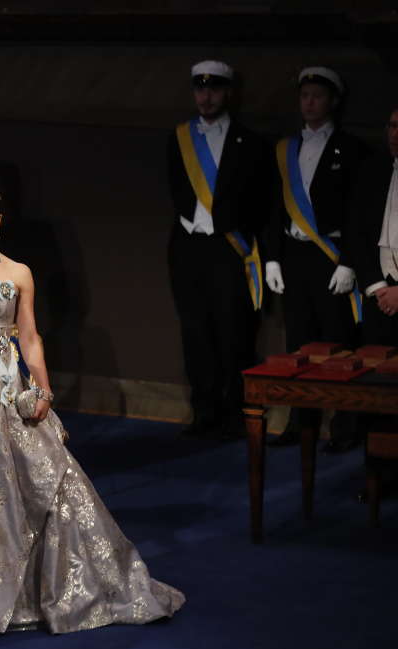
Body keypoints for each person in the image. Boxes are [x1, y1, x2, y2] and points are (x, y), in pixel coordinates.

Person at [0, 173, 185, 634]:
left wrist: (43, 388)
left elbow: (31, 337)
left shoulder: (19, 273)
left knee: (51, 470)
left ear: (1, 221)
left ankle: (43, 588)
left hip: (7, 385)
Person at [264, 67, 368, 451]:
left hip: (332, 255)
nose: (309, 103)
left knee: (338, 343)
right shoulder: (284, 148)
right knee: (299, 342)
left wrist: (349, 261)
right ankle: (300, 421)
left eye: (317, 96)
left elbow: (360, 212)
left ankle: (344, 426)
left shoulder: (352, 149)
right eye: (304, 95)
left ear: (333, 101)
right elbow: (274, 207)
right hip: (294, 255)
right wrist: (272, 258)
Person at [166, 60, 271, 439]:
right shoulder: (178, 137)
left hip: (229, 249)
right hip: (189, 249)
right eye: (199, 89)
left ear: (228, 92)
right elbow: (176, 189)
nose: (205, 96)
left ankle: (233, 414)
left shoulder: (251, 142)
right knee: (195, 334)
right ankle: (204, 411)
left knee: (234, 333)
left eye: (213, 89)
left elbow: (260, 201)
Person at [347, 104, 398, 349]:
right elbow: (357, 232)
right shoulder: (372, 170)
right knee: (377, 377)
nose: (395, 134)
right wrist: (377, 286)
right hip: (378, 295)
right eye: (393, 126)